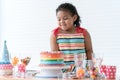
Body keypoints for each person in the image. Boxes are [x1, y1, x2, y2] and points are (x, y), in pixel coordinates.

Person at [50, 3, 93, 68]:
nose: (62, 21)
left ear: (74, 18)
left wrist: (91, 67)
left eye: (65, 18)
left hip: (82, 70)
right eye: (59, 19)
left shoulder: (84, 33)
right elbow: (55, 56)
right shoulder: (55, 34)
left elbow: (89, 50)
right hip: (64, 71)